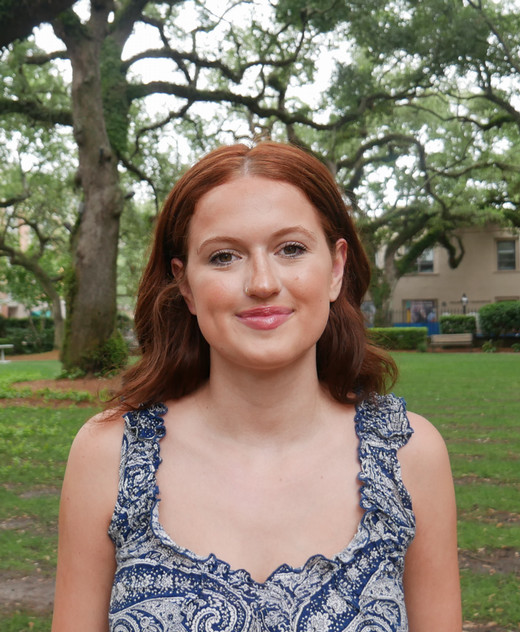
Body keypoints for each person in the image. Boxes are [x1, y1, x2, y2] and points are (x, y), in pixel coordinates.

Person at [52, 141, 462, 632]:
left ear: (335, 269)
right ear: (185, 285)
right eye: (225, 256)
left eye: (291, 248)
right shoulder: (108, 456)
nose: (263, 282)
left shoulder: (411, 455)